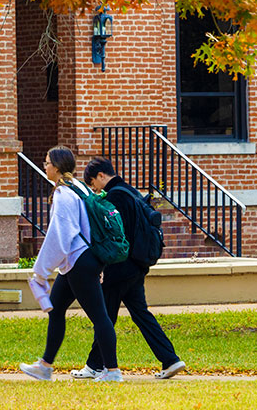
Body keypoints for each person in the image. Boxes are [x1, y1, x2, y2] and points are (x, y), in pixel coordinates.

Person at [74, 157, 186, 380]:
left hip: (121, 267)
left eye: (92, 183)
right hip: (138, 264)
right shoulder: (131, 192)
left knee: (104, 317)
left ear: (101, 176)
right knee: (137, 314)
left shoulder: (115, 196)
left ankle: (94, 366)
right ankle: (171, 359)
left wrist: (104, 266)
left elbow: (116, 236)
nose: (93, 188)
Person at [19, 146, 122, 382]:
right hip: (81, 261)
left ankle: (113, 371)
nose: (44, 166)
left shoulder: (64, 194)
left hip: (79, 262)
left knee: (99, 317)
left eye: (46, 162)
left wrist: (41, 270)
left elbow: (60, 237)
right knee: (56, 309)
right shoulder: (80, 187)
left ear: (56, 167)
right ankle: (45, 366)